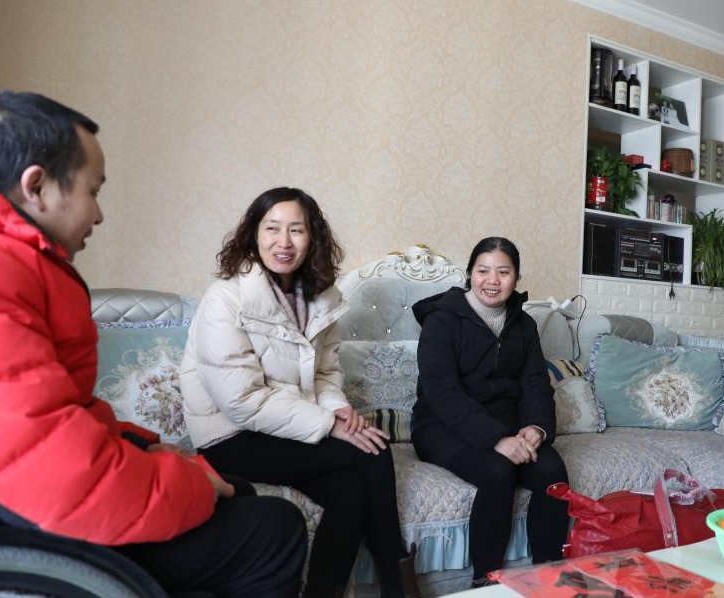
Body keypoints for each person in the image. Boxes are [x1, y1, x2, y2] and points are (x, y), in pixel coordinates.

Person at [0, 90, 307, 598]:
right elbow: (59, 479)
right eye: (92, 191)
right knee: (273, 528)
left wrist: (139, 445)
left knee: (242, 497)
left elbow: (41, 420)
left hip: (10, 509)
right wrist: (192, 483)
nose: (98, 214)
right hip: (8, 535)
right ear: (37, 186)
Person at [179, 187, 421, 598]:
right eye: (272, 228)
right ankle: (398, 582)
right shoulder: (226, 297)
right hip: (231, 436)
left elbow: (325, 372)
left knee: (351, 488)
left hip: (287, 428)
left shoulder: (320, 296)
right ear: (254, 234)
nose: (284, 242)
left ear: (313, 238)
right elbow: (240, 401)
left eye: (296, 230)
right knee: (373, 453)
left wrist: (338, 410)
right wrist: (329, 425)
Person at [411, 237, 569, 588]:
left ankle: (548, 575)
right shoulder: (441, 320)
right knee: (498, 470)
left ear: (516, 278)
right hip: (440, 424)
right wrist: (497, 439)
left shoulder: (523, 325)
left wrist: (536, 428)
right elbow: (442, 392)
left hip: (507, 423)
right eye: (483, 271)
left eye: (503, 272)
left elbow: (535, 384)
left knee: (552, 471)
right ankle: (486, 580)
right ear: (470, 274)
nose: (492, 281)